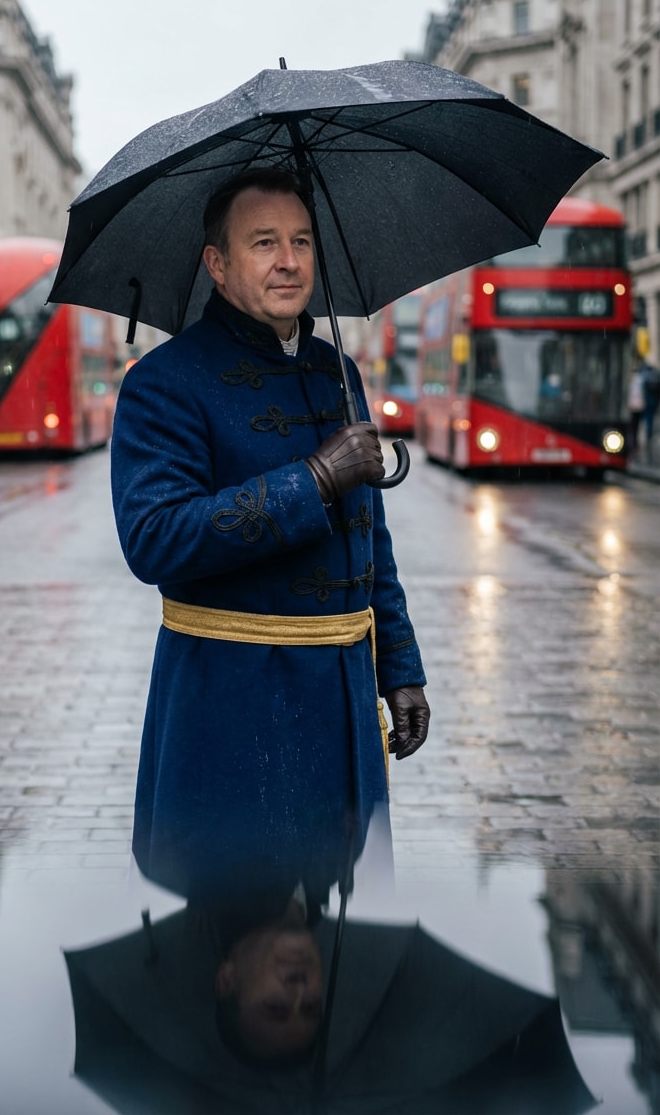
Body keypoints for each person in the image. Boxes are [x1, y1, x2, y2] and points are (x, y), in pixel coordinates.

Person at [110, 167, 429, 897]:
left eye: (301, 241)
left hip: (341, 702)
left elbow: (369, 541)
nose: (289, 260)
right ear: (216, 265)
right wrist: (311, 480)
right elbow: (153, 537)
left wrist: (400, 670)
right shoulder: (162, 383)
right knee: (239, 947)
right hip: (230, 707)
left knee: (335, 940)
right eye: (263, 243)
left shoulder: (336, 371)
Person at [628, 358, 646, 450]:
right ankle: (634, 442)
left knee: (633, 425)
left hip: (632, 406)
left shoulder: (630, 380)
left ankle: (633, 442)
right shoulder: (641, 379)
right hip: (638, 405)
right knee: (636, 426)